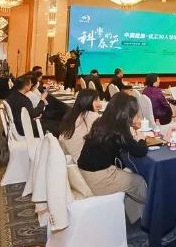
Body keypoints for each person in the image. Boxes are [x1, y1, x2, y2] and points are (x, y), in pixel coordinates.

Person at [78, 92, 147, 223]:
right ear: (127, 115)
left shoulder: (100, 123)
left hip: (86, 172)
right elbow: (140, 151)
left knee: (129, 173)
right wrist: (141, 138)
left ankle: (136, 216)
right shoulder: (119, 132)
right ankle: (157, 210)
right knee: (139, 182)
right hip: (100, 178)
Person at [59, 89, 101, 163]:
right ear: (88, 101)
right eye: (96, 100)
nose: (99, 104)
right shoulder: (91, 116)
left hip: (73, 157)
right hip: (85, 162)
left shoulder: (73, 115)